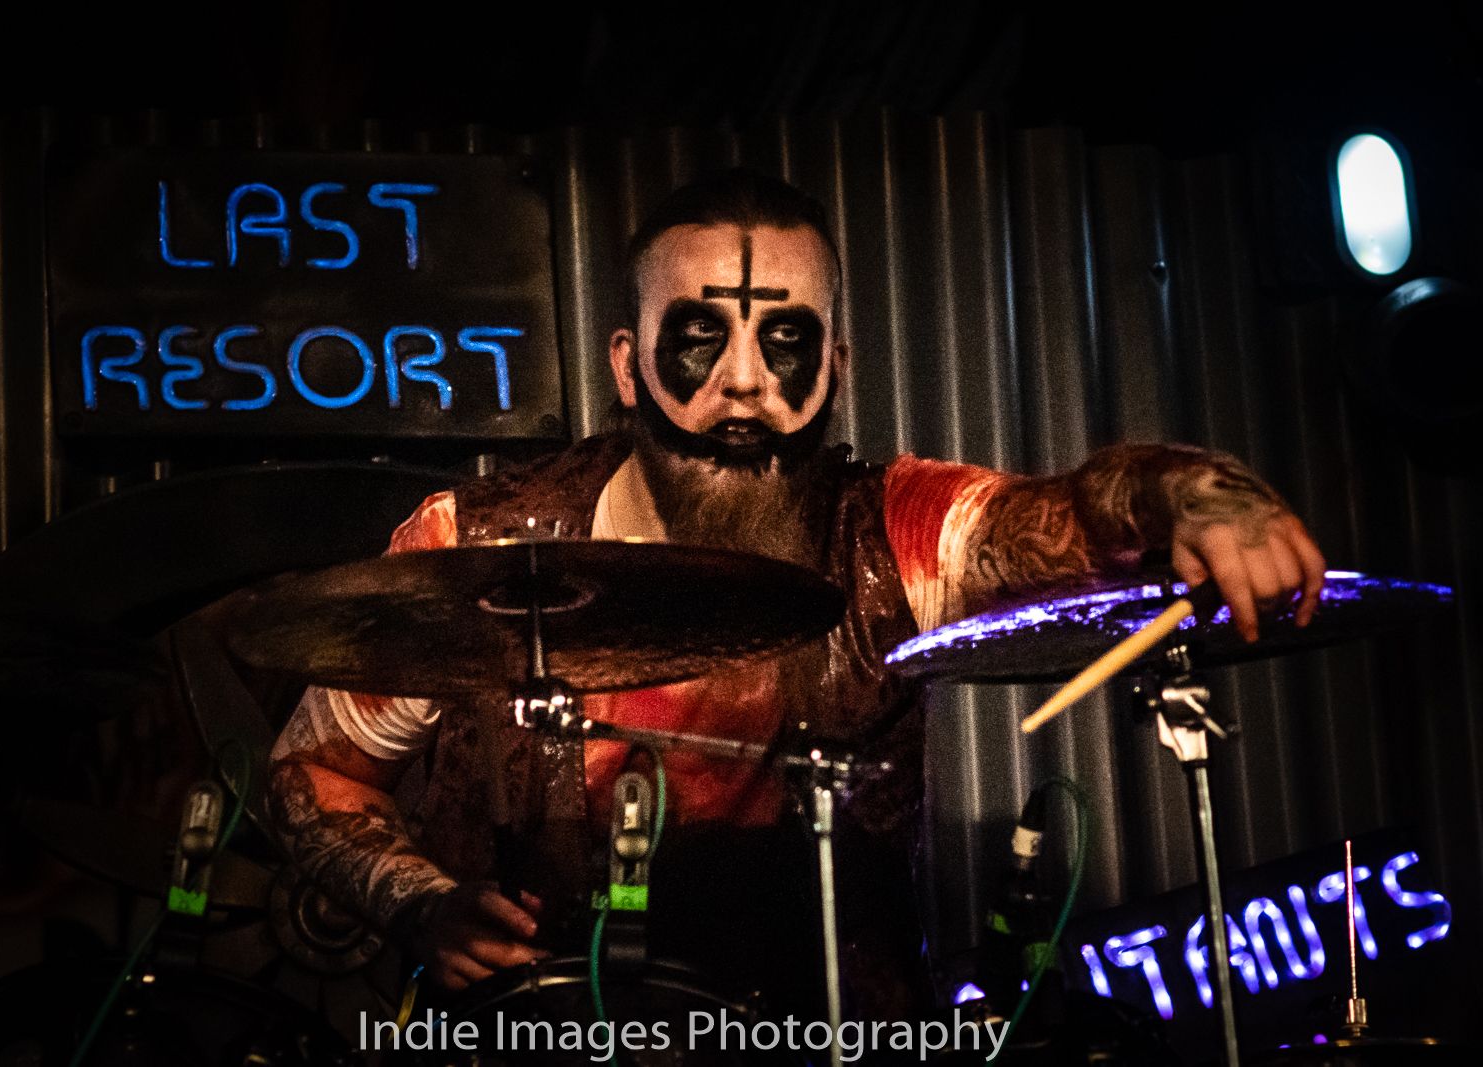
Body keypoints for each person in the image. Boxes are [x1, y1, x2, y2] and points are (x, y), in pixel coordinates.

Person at [265, 168, 1326, 1025]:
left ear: (837, 366)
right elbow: (315, 773)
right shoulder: (479, 545)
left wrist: (1194, 491)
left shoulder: (892, 530)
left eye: (786, 339)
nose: (745, 380)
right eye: (700, 333)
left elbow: (1068, 514)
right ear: (628, 367)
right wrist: (422, 905)